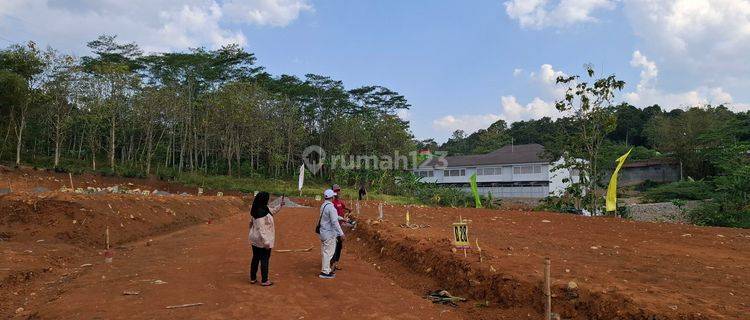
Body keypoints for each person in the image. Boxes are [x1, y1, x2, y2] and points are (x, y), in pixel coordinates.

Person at [248, 192, 284, 286]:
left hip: (255, 238)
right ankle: (264, 280)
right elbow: (261, 229)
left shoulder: (259, 208)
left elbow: (272, 211)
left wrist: (280, 205)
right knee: (264, 259)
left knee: (255, 257)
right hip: (262, 239)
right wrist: (266, 242)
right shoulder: (261, 212)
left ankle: (253, 278)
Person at [317, 189, 344, 279]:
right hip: (329, 233)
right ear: (331, 197)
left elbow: (334, 217)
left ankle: (326, 269)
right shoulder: (331, 207)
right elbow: (334, 221)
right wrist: (341, 233)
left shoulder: (324, 205)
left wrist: (341, 218)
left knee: (325, 251)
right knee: (328, 252)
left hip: (323, 232)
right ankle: (324, 271)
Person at [330, 184, 351, 271]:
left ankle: (335, 263)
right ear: (333, 192)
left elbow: (344, 207)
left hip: (340, 227)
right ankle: (331, 263)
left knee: (339, 246)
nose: (338, 192)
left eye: (339, 190)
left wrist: (349, 210)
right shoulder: (332, 203)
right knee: (334, 245)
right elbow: (334, 218)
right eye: (336, 191)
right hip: (335, 228)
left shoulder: (339, 202)